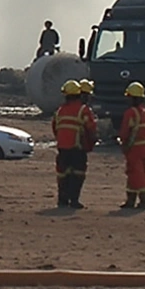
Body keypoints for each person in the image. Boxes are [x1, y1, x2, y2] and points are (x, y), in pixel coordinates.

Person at [52, 79, 96, 208]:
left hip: (62, 149)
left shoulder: (60, 110)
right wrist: (90, 143)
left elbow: (55, 127)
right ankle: (74, 200)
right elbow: (91, 128)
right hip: (77, 148)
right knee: (78, 174)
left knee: (63, 175)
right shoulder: (83, 110)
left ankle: (62, 200)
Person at [119, 81, 145, 210]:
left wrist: (123, 144)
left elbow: (125, 131)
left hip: (134, 148)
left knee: (137, 174)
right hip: (144, 148)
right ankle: (131, 200)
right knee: (134, 173)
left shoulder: (131, 113)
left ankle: (144, 201)